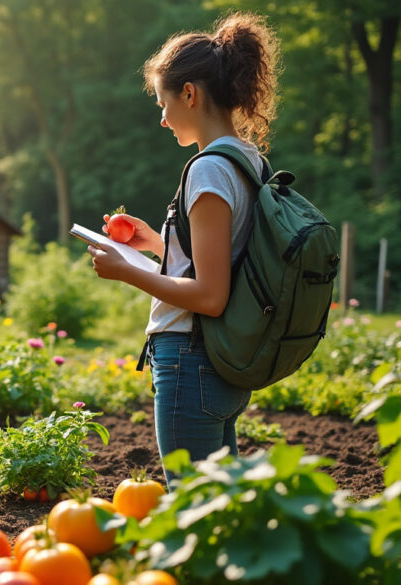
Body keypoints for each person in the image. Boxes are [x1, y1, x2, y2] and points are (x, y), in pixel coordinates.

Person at [87, 12, 281, 485]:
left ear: (190, 94)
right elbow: (223, 256)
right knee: (221, 509)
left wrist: (125, 271)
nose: (161, 118)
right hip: (220, 363)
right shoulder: (247, 159)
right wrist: (153, 242)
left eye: (163, 102)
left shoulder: (208, 170)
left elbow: (210, 294)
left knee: (192, 512)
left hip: (191, 360)